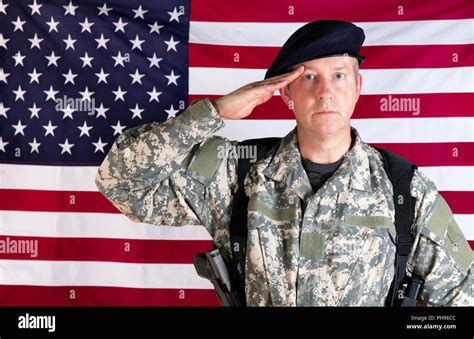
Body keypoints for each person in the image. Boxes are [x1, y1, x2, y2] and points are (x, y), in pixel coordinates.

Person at [96, 20, 473, 306]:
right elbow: (121, 182)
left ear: (358, 88)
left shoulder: (404, 189)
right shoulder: (236, 173)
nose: (325, 91)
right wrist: (215, 111)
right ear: (286, 94)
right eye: (308, 77)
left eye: (339, 75)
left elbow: (462, 295)